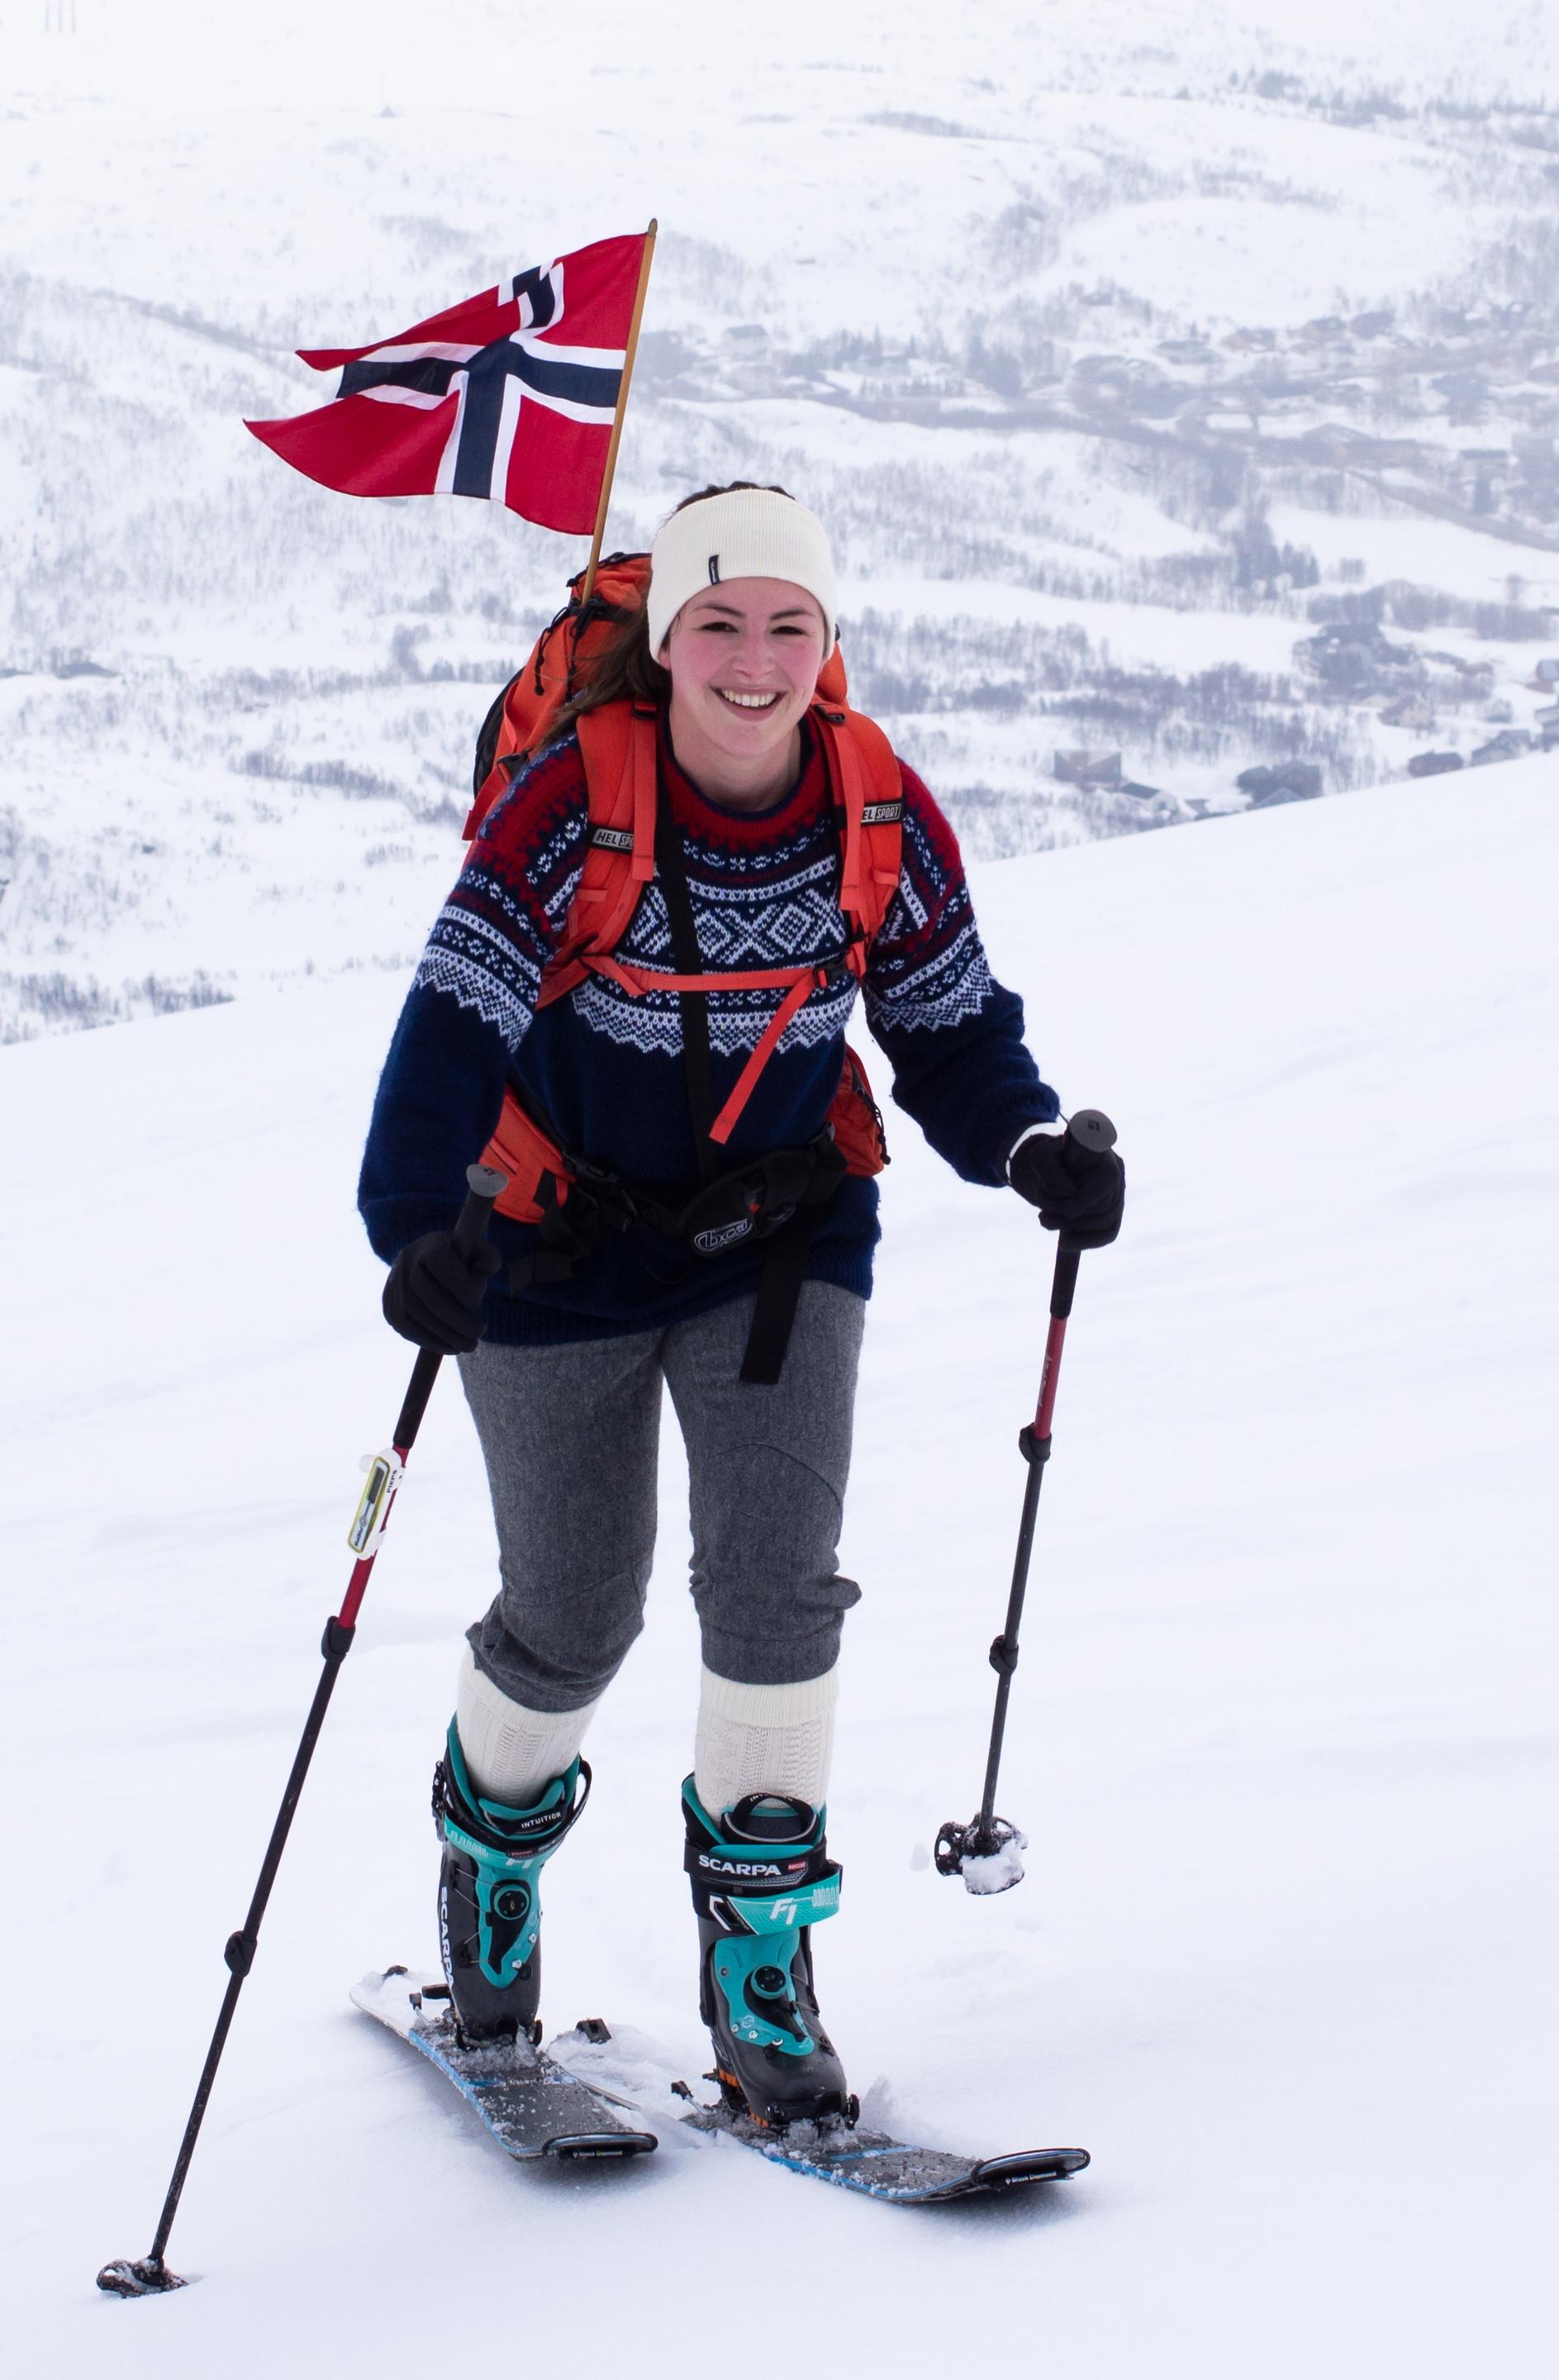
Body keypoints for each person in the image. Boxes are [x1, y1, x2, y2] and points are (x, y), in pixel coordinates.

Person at [356, 482, 1124, 2125]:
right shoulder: (573, 800)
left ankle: (761, 1977)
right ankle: (487, 1872)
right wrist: (416, 1225)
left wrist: (1033, 1145)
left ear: (825, 644)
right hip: (545, 1249)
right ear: (666, 638)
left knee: (778, 1592)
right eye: (720, 623)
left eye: (789, 625)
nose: (755, 660)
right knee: (574, 1611)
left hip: (778, 1238)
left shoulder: (877, 811)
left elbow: (948, 1026)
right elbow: (455, 1017)